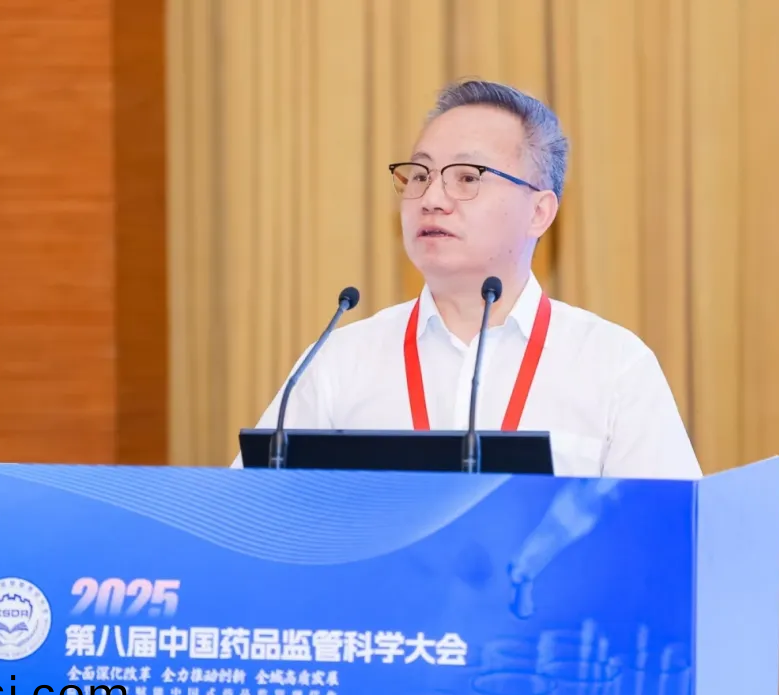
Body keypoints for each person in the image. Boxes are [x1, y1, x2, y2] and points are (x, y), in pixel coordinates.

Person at [233, 79, 701, 480]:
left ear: (539, 212)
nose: (431, 198)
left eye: (467, 177)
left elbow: (670, 536)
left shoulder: (613, 367)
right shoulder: (338, 362)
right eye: (420, 175)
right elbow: (245, 516)